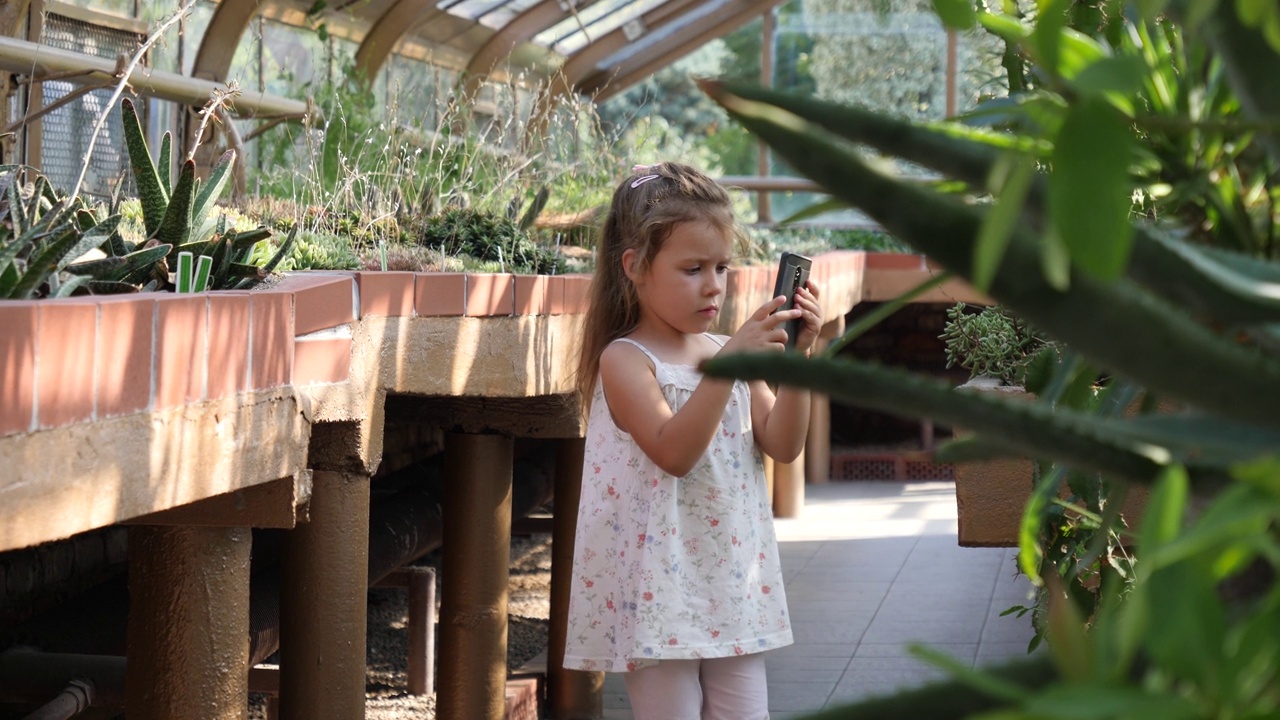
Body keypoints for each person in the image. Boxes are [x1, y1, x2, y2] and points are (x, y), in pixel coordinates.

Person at [564, 161, 823, 720]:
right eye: (692, 268)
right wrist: (729, 365)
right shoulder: (625, 360)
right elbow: (674, 452)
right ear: (635, 266)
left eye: (722, 267)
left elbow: (782, 443)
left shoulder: (728, 351)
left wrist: (800, 357)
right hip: (660, 588)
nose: (713, 285)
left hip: (730, 579)